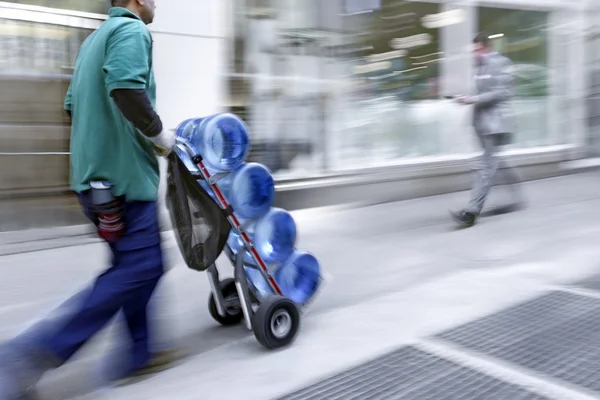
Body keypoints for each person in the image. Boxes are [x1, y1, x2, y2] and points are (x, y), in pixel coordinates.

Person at [0, 0, 178, 398]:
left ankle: (139, 353)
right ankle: (29, 354)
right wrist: (158, 135)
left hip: (93, 184)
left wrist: (97, 152)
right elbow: (126, 88)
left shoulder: (92, 41)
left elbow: (71, 107)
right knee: (142, 266)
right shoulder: (131, 31)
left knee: (132, 268)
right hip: (124, 180)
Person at [450, 32, 525, 228]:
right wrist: (465, 97)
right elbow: (480, 91)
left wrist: (473, 99)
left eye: (477, 50)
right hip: (481, 123)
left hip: (496, 124)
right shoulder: (479, 66)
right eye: (473, 51)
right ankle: (517, 195)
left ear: (486, 47)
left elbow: (503, 92)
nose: (474, 54)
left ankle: (471, 212)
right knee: (493, 162)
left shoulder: (501, 63)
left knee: (486, 166)